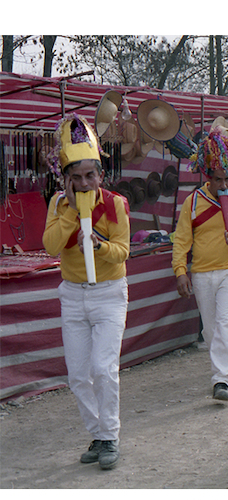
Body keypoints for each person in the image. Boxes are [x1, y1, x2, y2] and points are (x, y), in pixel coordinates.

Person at [43, 114, 130, 470]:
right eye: (75, 177)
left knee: (103, 368)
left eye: (89, 176)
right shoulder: (57, 204)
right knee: (78, 375)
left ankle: (110, 436)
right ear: (65, 178)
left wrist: (98, 245)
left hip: (109, 293)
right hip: (72, 295)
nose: (83, 183)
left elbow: (123, 251)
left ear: (101, 175)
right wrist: (69, 210)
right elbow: (50, 247)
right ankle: (97, 433)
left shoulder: (115, 204)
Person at [172, 131, 228, 403]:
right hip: (203, 272)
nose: (224, 184)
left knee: (227, 323)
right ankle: (220, 371)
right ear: (208, 176)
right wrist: (180, 271)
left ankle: (222, 379)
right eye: (218, 179)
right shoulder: (192, 202)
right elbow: (182, 240)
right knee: (210, 329)